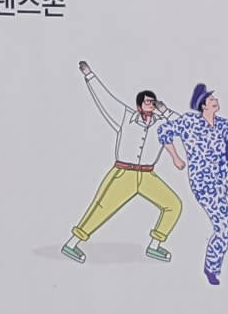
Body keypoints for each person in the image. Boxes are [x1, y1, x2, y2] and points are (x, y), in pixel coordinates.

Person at [64, 63, 182, 262]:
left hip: (147, 176)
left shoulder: (162, 124)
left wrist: (167, 111)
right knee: (101, 207)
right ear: (139, 106)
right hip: (123, 173)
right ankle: (71, 244)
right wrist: (89, 75)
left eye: (153, 102)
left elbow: (186, 126)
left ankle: (154, 246)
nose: (151, 105)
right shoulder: (126, 117)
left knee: (173, 204)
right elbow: (105, 99)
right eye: (147, 102)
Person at [156, 84, 228, 288]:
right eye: (211, 99)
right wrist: (176, 157)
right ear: (203, 105)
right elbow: (163, 131)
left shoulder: (224, 125)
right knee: (225, 230)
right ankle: (211, 268)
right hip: (205, 185)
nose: (215, 100)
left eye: (214, 98)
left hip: (225, 176)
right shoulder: (189, 122)